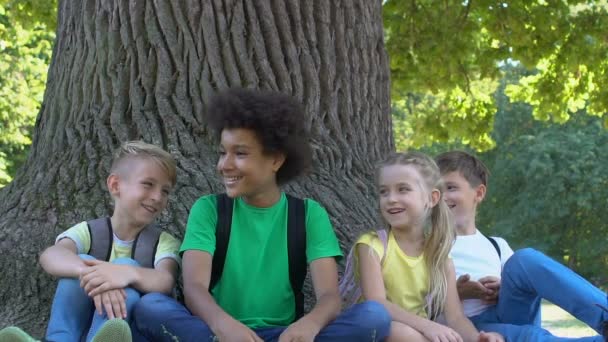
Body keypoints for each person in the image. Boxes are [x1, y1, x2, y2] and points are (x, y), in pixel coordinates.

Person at [132, 88, 391, 342]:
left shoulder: (309, 215)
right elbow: (194, 289)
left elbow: (329, 298)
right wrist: (226, 327)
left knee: (374, 316)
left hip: (284, 336)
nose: (225, 165)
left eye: (240, 153)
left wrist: (309, 326)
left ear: (276, 160)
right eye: (223, 152)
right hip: (217, 334)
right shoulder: (209, 209)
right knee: (151, 307)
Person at [0, 141, 181, 342]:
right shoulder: (90, 231)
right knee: (77, 265)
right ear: (115, 185)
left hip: (132, 331)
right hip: (80, 327)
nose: (157, 197)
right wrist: (94, 275)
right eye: (148, 184)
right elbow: (51, 255)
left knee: (125, 266)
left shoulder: (163, 242)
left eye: (165, 191)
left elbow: (165, 280)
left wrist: (124, 274)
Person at [436, 150, 608, 342]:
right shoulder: (429, 246)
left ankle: (605, 317)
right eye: (436, 190)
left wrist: (501, 288)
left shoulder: (496, 245)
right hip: (468, 327)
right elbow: (417, 304)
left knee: (525, 258)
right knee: (530, 336)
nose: (442, 196)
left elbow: (519, 288)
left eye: (451, 187)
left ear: (479, 193)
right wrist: (457, 293)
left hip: (506, 313)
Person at [355, 151, 503, 342]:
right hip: (377, 332)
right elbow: (376, 304)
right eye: (384, 191)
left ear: (432, 199)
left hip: (418, 334)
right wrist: (428, 326)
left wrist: (477, 338)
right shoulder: (372, 246)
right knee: (398, 331)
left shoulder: (440, 259)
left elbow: (456, 318)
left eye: (403, 189)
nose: (391, 198)